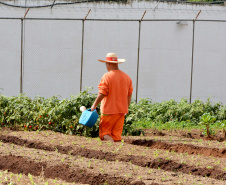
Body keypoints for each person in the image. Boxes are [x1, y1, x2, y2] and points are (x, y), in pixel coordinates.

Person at [91, 52, 133, 142]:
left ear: (109, 63)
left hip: (108, 111)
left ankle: (111, 150)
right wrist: (126, 107)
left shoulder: (107, 76)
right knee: (116, 136)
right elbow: (129, 94)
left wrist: (94, 105)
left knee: (105, 134)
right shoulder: (127, 77)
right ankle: (117, 153)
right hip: (121, 111)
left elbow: (102, 92)